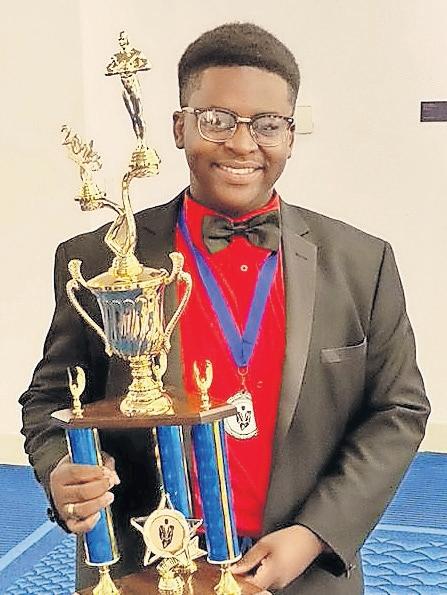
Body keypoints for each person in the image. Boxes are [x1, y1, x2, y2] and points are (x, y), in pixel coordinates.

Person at [20, 23, 430, 594]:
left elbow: (398, 409)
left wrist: (314, 534)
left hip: (304, 571)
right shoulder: (100, 260)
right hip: (141, 568)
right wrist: (62, 471)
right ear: (179, 127)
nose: (242, 143)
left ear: (290, 135)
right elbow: (50, 400)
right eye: (216, 119)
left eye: (268, 124)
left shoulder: (363, 263)